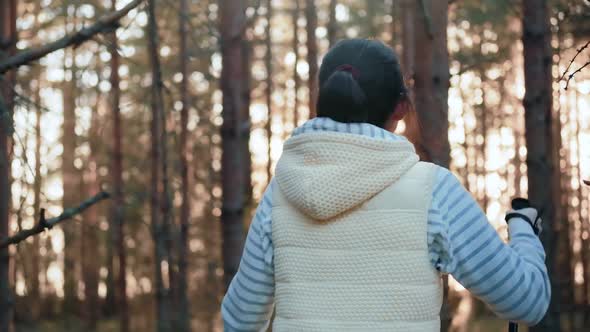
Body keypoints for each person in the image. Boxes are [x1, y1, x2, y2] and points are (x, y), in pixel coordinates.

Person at [221, 38, 550, 331]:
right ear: (401, 108)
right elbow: (526, 302)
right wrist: (523, 229)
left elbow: (240, 319)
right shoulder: (434, 191)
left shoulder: (280, 194)